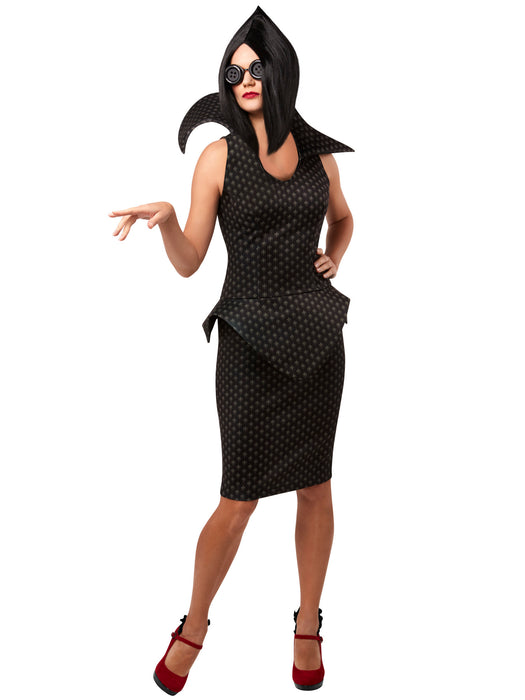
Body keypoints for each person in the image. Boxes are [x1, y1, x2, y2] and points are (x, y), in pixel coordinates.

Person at [108, 6, 354, 694]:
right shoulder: (218, 156)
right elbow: (190, 261)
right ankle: (193, 626)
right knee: (238, 498)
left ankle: (308, 623)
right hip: (246, 341)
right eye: (233, 71)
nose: (243, 79)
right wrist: (166, 220)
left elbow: (343, 218)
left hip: (317, 338)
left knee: (316, 487)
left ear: (281, 72)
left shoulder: (317, 154)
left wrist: (334, 257)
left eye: (256, 67)